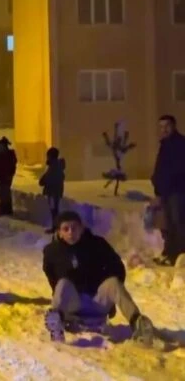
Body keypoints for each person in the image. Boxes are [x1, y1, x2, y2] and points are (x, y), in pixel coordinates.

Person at [42, 211, 154, 345]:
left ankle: (137, 322)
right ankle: (56, 322)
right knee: (63, 283)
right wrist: (62, 301)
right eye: (66, 229)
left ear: (82, 229)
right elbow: (52, 277)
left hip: (97, 301)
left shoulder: (97, 244)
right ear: (59, 232)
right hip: (74, 305)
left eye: (74, 228)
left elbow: (117, 267)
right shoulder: (52, 252)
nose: (71, 232)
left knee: (113, 283)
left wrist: (110, 299)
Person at [151, 115, 185, 266]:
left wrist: (165, 186)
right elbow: (160, 170)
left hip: (177, 191)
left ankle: (179, 255)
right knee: (168, 224)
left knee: (178, 223)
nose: (164, 129)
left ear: (174, 126)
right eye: (161, 126)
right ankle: (169, 253)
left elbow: (177, 170)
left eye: (167, 126)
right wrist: (157, 188)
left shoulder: (180, 144)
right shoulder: (164, 145)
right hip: (165, 192)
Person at [40, 147, 65, 233]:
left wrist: (43, 180)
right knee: (54, 211)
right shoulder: (55, 166)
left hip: (53, 192)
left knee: (54, 211)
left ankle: (56, 228)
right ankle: (56, 227)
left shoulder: (54, 167)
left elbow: (49, 178)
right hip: (54, 192)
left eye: (48, 155)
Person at [0, 137, 18, 215]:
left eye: (0, 147)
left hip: (6, 177)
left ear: (4, 147)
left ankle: (7, 208)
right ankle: (3, 207)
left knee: (5, 192)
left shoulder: (9, 155)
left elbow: (12, 167)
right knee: (1, 192)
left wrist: (9, 175)